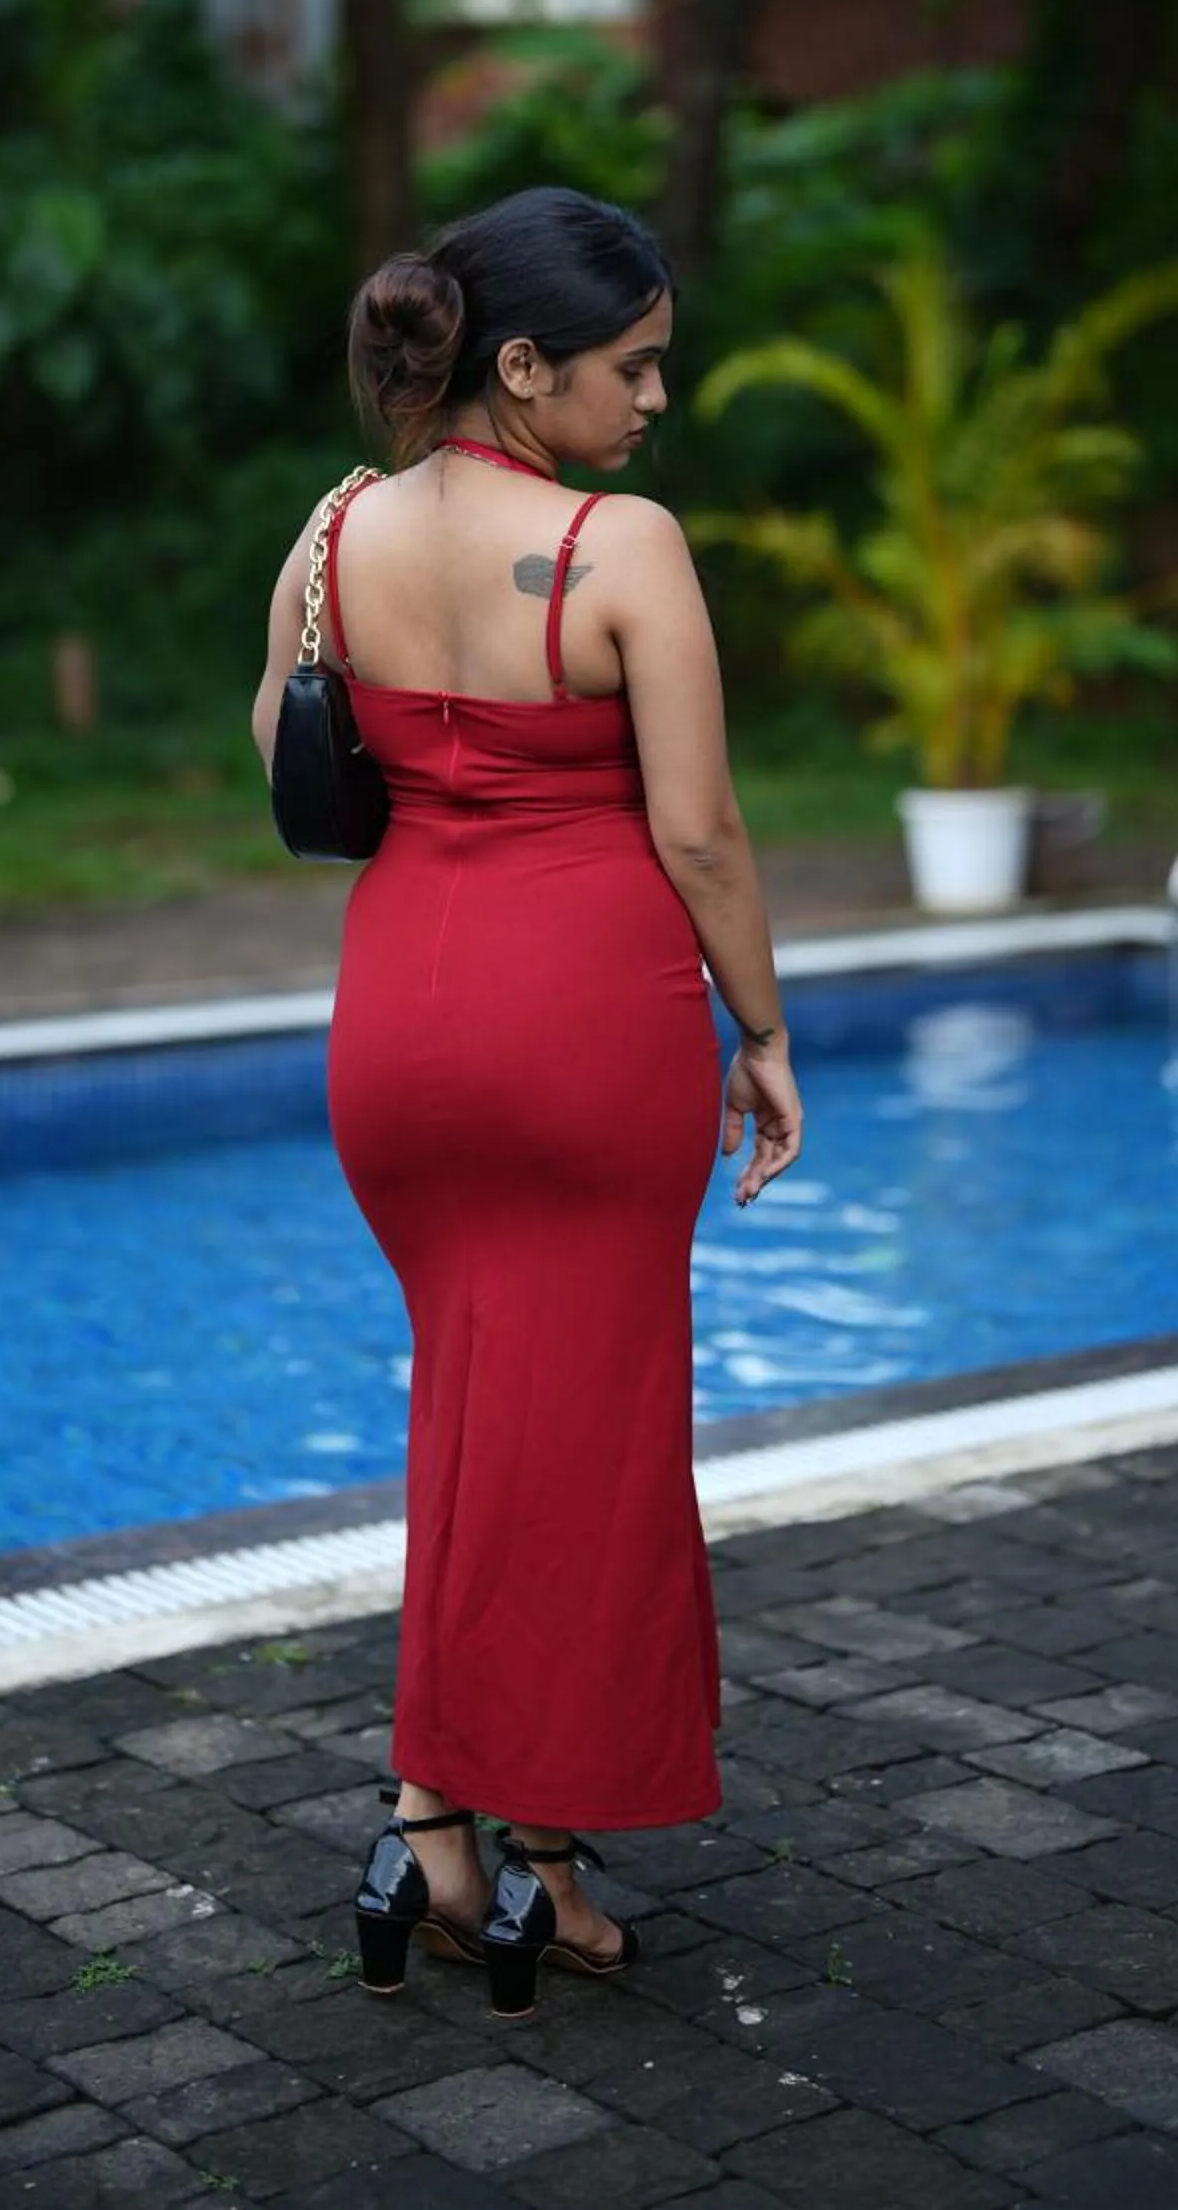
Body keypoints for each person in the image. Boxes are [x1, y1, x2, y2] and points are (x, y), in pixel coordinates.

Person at [251, 185, 803, 2018]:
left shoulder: (331, 535)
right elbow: (701, 829)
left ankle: (433, 1823)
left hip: (399, 1021)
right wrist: (766, 1032)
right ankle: (543, 1856)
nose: (654, 401)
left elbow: (287, 758)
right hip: (587, 1026)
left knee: (474, 1416)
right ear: (522, 366)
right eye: (633, 367)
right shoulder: (619, 546)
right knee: (595, 1442)